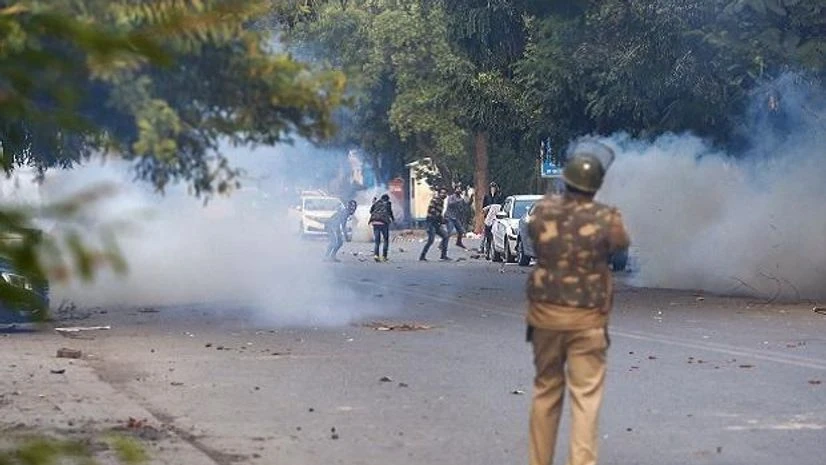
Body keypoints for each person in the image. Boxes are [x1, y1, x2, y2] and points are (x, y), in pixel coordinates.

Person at [525, 142, 629, 465]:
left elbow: (533, 234)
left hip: (545, 317)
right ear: (595, 186)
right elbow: (621, 243)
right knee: (586, 398)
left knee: (546, 392)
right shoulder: (607, 217)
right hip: (587, 319)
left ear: (566, 181)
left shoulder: (543, 211)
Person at [419, 188, 450, 261]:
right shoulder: (435, 200)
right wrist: (441, 219)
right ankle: (422, 256)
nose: (444, 194)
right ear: (439, 193)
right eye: (442, 193)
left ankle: (443, 256)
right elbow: (432, 211)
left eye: (445, 193)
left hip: (436, 223)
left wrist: (441, 220)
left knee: (445, 236)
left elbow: (438, 213)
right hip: (431, 223)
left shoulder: (441, 201)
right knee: (431, 240)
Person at [369, 194, 395, 262]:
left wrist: (373, 203)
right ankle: (384, 256)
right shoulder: (388, 204)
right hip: (383, 222)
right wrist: (393, 220)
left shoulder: (376, 203)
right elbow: (390, 213)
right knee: (385, 240)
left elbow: (371, 211)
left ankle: (376, 255)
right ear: (387, 199)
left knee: (377, 241)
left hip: (375, 222)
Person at [480, 181, 504, 254]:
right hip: (488, 217)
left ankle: (493, 249)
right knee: (486, 234)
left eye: (494, 188)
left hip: (496, 217)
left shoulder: (499, 197)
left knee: (493, 234)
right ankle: (484, 249)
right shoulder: (487, 197)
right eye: (491, 188)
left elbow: (501, 206)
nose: (492, 189)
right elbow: (483, 207)